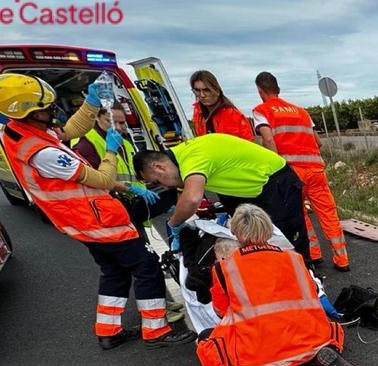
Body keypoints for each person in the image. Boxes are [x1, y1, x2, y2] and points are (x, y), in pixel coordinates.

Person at [0, 73, 193, 349]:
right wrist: (110, 151)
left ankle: (108, 331)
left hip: (83, 222)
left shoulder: (25, 132)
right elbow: (101, 179)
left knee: (114, 272)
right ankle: (156, 330)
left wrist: (91, 103)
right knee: (145, 267)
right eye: (46, 108)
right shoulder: (42, 154)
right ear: (29, 112)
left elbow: (71, 130)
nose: (53, 111)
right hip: (99, 220)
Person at [195, 205, 359, 366]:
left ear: (235, 233)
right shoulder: (295, 258)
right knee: (326, 329)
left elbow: (221, 312)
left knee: (207, 337)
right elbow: (313, 294)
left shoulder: (224, 269)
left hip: (262, 345)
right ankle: (317, 355)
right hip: (308, 333)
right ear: (268, 229)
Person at [133, 134, 310, 263]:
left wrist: (174, 224)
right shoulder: (183, 158)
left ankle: (311, 288)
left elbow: (192, 198)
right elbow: (186, 193)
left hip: (276, 183)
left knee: (289, 244)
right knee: (257, 242)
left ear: (158, 166)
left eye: (157, 181)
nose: (164, 187)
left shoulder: (192, 158)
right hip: (253, 189)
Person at [252, 71, 349, 271]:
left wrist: (275, 166)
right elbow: (318, 142)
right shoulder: (301, 111)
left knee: (300, 215)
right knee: (328, 214)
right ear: (277, 88)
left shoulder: (261, 110)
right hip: (315, 171)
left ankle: (314, 255)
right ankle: (342, 260)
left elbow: (268, 139)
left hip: (291, 174)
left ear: (260, 90)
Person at [71, 103, 177, 235]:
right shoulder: (85, 145)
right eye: (110, 121)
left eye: (121, 123)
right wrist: (132, 188)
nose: (117, 127)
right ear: (97, 118)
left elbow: (132, 174)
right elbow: (94, 180)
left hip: (131, 208)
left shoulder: (124, 143)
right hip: (110, 212)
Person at [189, 70, 254, 141]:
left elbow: (246, 143)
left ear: (216, 90)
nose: (202, 95)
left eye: (206, 90)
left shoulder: (232, 115)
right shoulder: (198, 114)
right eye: (197, 90)